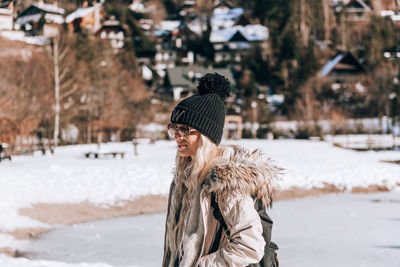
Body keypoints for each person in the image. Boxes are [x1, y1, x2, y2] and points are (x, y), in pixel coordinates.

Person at [162, 73, 280, 267]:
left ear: (206, 136)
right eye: (174, 128)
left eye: (185, 129)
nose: (177, 136)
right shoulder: (183, 180)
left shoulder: (225, 184)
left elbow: (250, 246)